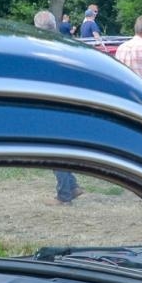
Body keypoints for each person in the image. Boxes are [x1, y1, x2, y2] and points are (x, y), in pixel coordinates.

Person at [33, 10, 82, 203]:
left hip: (51, 106)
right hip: (68, 104)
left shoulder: (41, 49)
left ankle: (64, 194)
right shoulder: (66, 45)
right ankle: (72, 186)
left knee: (52, 151)